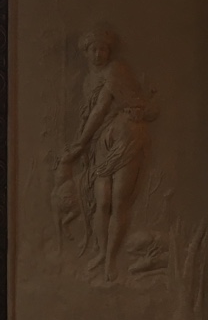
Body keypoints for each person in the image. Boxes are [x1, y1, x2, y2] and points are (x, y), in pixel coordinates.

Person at [62, 27, 156, 282]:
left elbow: (101, 109)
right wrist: (84, 143)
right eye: (93, 49)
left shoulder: (116, 70)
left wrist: (79, 143)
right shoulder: (88, 81)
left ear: (109, 51)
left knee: (118, 202)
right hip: (101, 142)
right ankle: (102, 253)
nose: (98, 54)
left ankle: (111, 260)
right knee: (102, 202)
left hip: (126, 138)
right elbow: (90, 114)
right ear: (86, 52)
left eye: (103, 49)